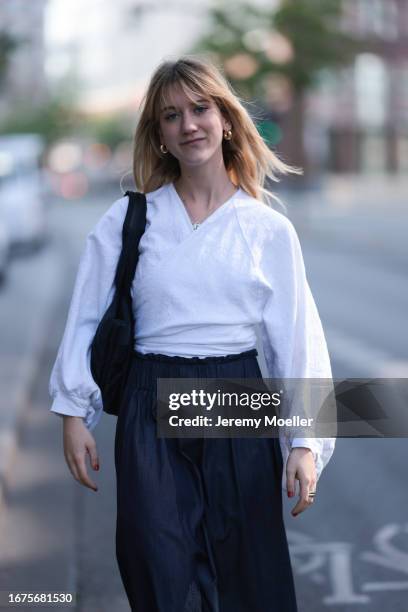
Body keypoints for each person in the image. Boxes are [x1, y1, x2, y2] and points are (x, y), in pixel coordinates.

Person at [49, 55, 336, 612]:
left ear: (225, 118)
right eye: (171, 116)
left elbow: (296, 339)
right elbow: (84, 318)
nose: (189, 125)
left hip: (236, 394)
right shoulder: (129, 220)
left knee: (246, 575)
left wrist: (304, 443)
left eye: (200, 109)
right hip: (149, 400)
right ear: (158, 135)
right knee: (159, 570)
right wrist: (71, 413)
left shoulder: (267, 229)